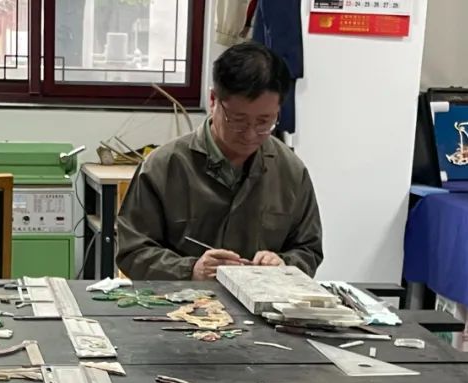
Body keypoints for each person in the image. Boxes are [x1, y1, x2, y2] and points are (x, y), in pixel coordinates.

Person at [116, 42, 323, 281]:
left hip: (261, 303)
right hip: (181, 301)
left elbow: (309, 249)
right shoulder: (164, 167)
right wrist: (190, 270)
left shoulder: (291, 171)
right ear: (213, 99)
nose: (250, 134)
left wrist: (284, 266)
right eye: (238, 120)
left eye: (264, 121)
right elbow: (133, 251)